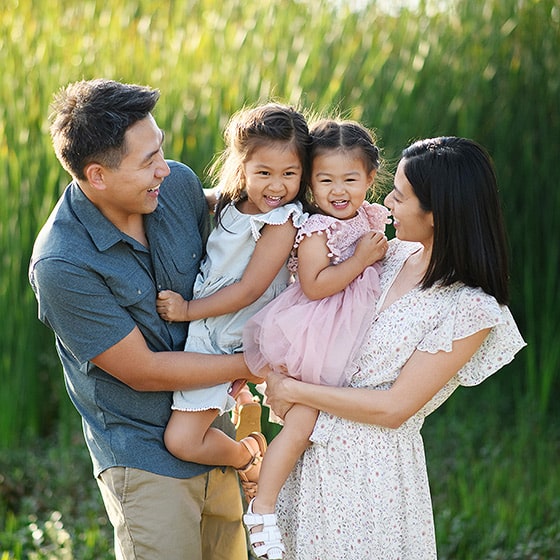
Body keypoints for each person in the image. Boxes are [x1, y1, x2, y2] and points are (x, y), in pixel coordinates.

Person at [28, 78, 263, 560]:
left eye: (160, 150)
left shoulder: (174, 186)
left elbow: (253, 208)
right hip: (144, 460)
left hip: (210, 434)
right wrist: (256, 363)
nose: (165, 168)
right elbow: (144, 370)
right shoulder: (62, 264)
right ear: (97, 176)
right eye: (147, 162)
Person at [261, 136, 526, 559]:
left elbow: (394, 408)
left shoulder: (470, 307)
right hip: (310, 459)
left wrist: (294, 391)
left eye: (400, 196)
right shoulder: (386, 255)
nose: (387, 201)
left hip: (374, 481)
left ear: (436, 212)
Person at [240, 119, 390, 559]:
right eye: (325, 180)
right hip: (314, 334)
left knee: (324, 426)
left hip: (349, 339)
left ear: (369, 179)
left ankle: (289, 505)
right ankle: (262, 508)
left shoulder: (373, 216)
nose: (337, 190)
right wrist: (361, 259)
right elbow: (315, 285)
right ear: (310, 182)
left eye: (350, 179)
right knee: (304, 422)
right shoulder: (316, 229)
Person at [154, 103, 310, 499]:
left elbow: (249, 291)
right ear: (242, 168)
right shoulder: (232, 201)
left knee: (182, 441)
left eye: (289, 174)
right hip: (212, 326)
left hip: (231, 334)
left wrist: (188, 310)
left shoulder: (281, 220)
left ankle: (248, 455)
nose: (277, 186)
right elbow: (191, 197)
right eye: (264, 173)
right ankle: (239, 396)